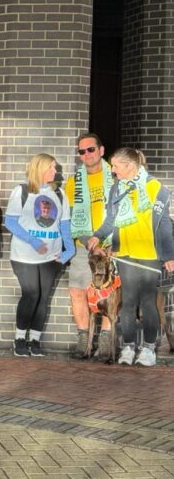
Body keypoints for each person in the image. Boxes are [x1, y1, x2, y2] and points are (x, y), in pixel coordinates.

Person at [87, 148, 174, 367]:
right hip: (124, 253)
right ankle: (128, 346)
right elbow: (110, 219)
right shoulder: (117, 188)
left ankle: (149, 349)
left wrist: (168, 255)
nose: (113, 170)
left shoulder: (155, 187)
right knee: (128, 302)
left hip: (148, 254)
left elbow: (164, 223)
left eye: (116, 166)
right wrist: (97, 236)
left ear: (131, 166)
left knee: (148, 301)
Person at [5, 153, 74, 358]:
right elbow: (10, 222)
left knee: (43, 297)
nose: (55, 171)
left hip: (51, 257)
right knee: (32, 294)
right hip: (24, 255)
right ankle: (19, 339)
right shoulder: (22, 191)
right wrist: (34, 241)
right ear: (39, 168)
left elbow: (64, 225)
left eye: (55, 167)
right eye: (51, 167)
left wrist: (69, 250)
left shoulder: (59, 194)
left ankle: (34, 340)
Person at [65, 133, 114, 358]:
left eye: (90, 149)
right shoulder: (73, 182)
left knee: (108, 292)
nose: (86, 154)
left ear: (101, 150)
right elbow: (73, 218)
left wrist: (109, 243)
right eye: (81, 151)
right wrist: (91, 244)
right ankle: (83, 339)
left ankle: (105, 339)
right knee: (77, 292)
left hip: (111, 245)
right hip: (83, 246)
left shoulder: (116, 177)